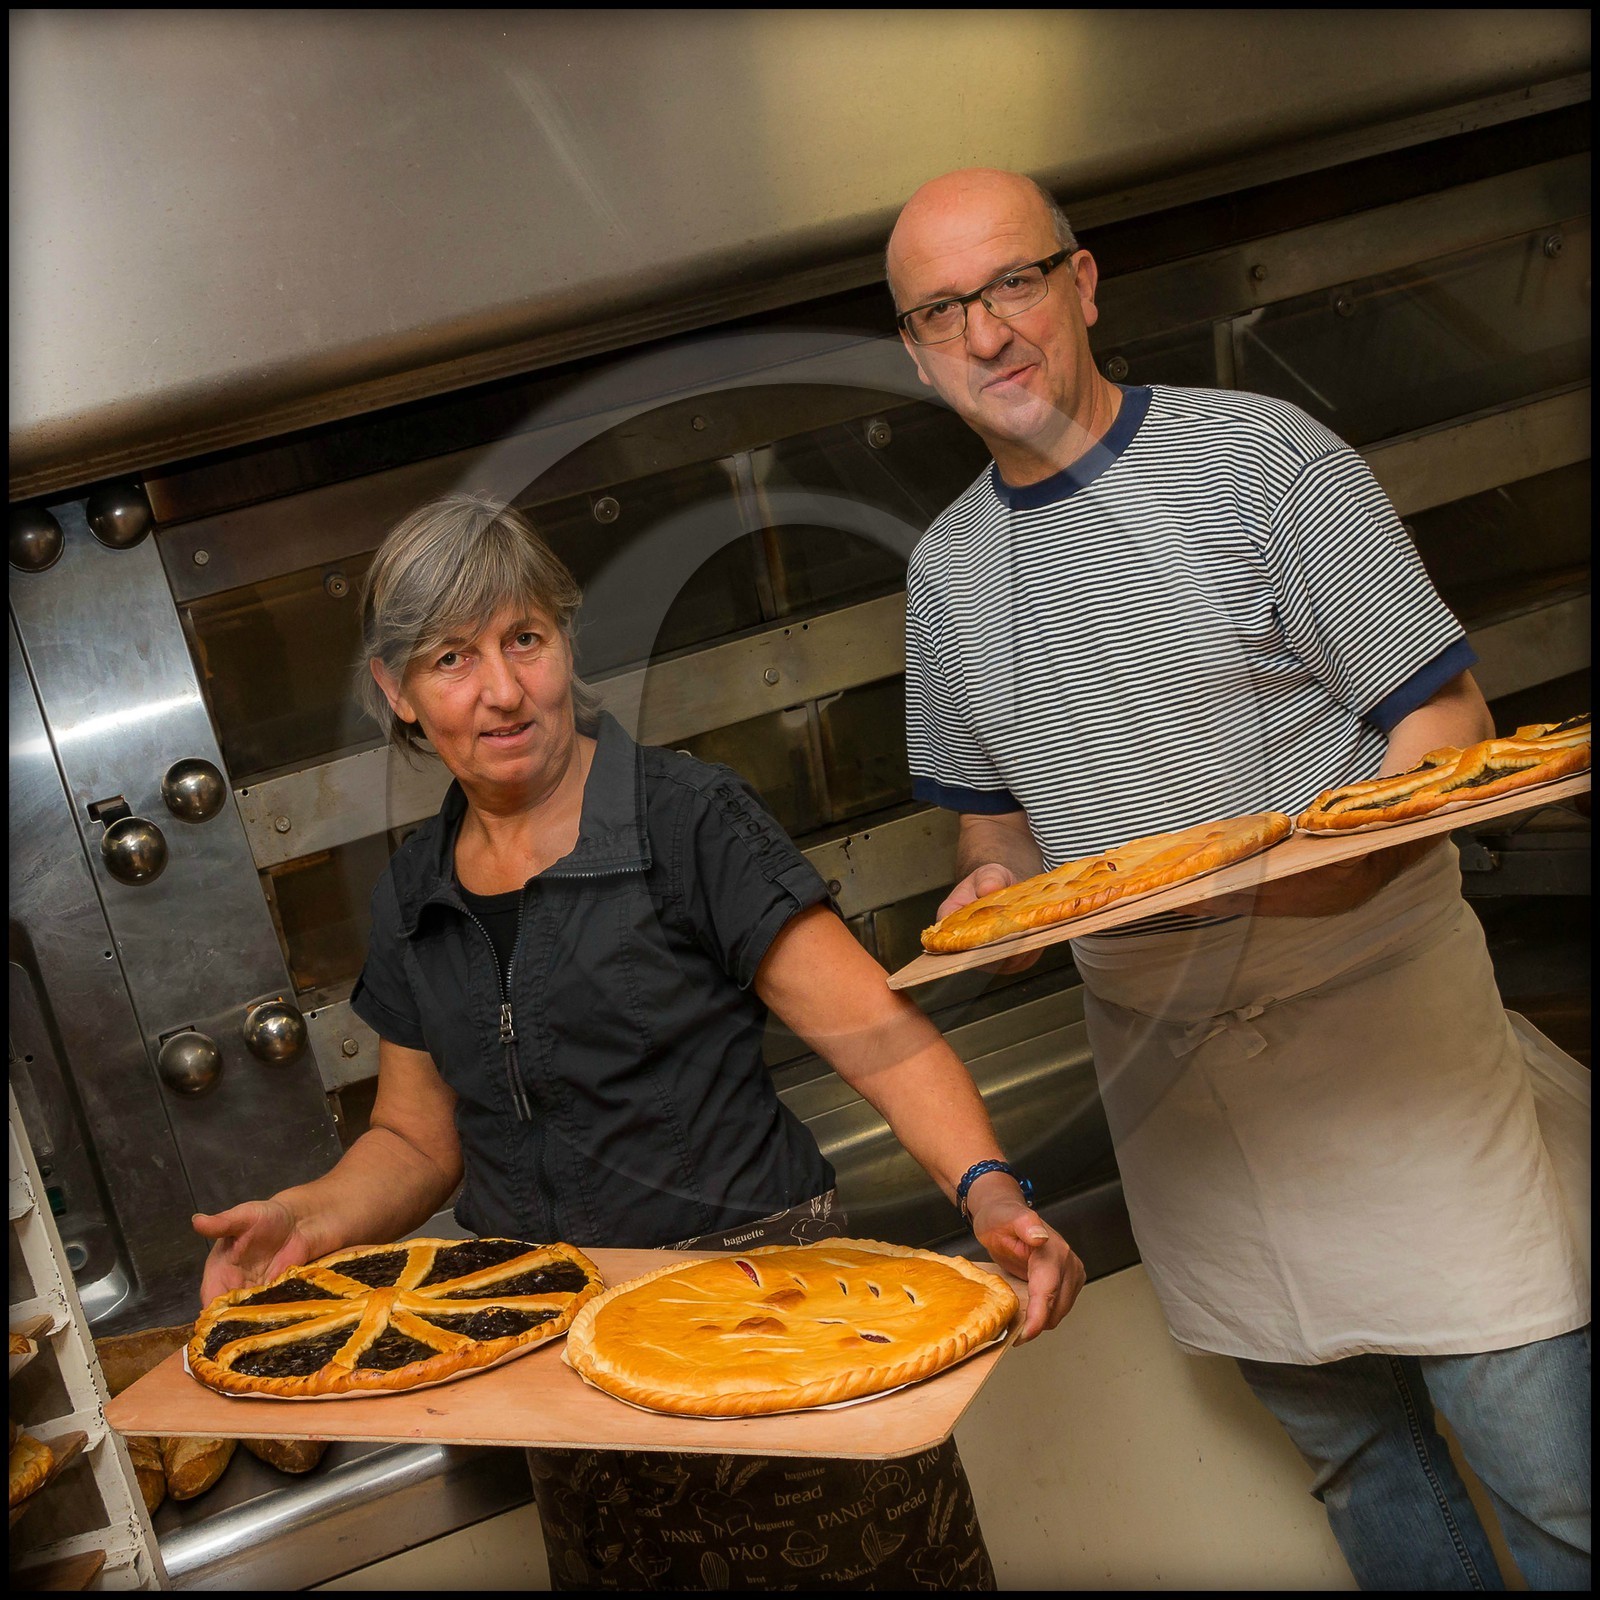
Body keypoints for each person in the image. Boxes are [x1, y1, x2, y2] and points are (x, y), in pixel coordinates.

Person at [885, 167, 1590, 1591]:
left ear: (1083, 287)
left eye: (1012, 284)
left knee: (1548, 1478)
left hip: (1385, 1027)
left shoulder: (1262, 459)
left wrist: (1309, 877)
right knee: (1356, 1465)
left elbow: (1446, 726)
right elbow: (997, 829)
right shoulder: (947, 574)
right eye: (944, 309)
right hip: (1175, 1080)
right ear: (916, 348)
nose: (987, 332)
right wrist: (989, 895)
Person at [192, 491, 1084, 1591]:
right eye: (452, 659)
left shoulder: (686, 818)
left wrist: (990, 1190)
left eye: (524, 638)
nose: (504, 689)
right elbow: (417, 1143)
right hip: (566, 1354)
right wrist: (302, 1219)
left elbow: (883, 1041)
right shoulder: (414, 893)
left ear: (565, 641)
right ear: (398, 692)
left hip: (773, 1318)